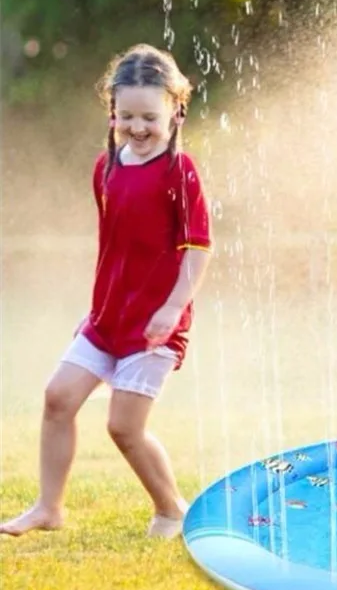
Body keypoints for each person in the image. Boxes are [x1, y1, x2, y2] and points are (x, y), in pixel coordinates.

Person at [0, 44, 213, 540]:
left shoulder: (179, 173)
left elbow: (198, 247)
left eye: (150, 117)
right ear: (112, 112)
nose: (138, 127)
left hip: (156, 324)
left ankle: (170, 509)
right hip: (107, 319)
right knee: (57, 399)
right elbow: (118, 247)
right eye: (127, 116)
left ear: (176, 110)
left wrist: (172, 307)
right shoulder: (106, 167)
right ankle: (48, 508)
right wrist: (102, 306)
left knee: (124, 427)